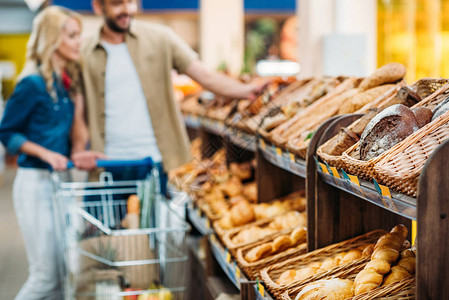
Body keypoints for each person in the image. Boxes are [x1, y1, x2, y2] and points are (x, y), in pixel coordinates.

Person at [73, 0, 266, 187]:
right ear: (98, 6)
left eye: (131, 2)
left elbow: (206, 77)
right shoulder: (83, 52)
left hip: (155, 162)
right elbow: (79, 111)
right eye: (117, 3)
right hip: (105, 164)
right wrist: (79, 150)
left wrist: (247, 91)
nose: (127, 9)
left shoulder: (161, 39)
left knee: (154, 221)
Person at [0, 6, 103, 299]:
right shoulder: (31, 84)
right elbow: (6, 132)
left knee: (61, 276)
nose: (78, 41)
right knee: (44, 278)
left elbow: (73, 135)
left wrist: (82, 154)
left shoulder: (65, 84)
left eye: (79, 35)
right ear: (52, 39)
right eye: (71, 35)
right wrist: (45, 154)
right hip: (35, 184)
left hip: (60, 184)